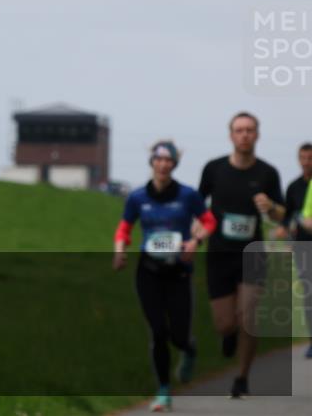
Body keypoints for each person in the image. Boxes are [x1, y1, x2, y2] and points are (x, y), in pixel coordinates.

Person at [114, 141, 216, 412]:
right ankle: (163, 391)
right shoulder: (137, 197)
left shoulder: (187, 195)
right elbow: (124, 228)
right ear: (152, 163)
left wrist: (195, 241)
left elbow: (209, 221)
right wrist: (119, 250)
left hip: (178, 272)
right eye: (158, 160)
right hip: (148, 273)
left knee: (179, 336)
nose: (163, 165)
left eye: (168, 160)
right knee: (158, 332)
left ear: (174, 164)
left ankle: (188, 349)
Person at [198, 112, 285, 399]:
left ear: (257, 135)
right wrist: (196, 232)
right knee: (224, 323)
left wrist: (270, 207)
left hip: (252, 254)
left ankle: (242, 378)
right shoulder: (214, 169)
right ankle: (228, 334)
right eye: (239, 130)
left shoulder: (268, 173)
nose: (244, 135)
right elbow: (198, 206)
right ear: (231, 135)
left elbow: (282, 214)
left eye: (249, 130)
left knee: (249, 316)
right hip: (219, 254)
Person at [276, 143, 312, 357]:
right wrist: (284, 231)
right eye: (303, 158)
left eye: (310, 158)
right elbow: (288, 216)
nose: (306, 162)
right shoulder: (293, 187)